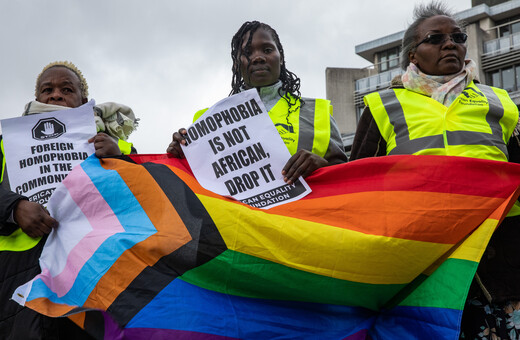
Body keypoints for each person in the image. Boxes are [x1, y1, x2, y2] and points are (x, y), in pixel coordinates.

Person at [349, 2, 520, 339]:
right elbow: (357, 191)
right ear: (413, 54)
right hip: (419, 274)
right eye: (436, 38)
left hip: (500, 269)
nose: (450, 44)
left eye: (458, 37)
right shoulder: (383, 106)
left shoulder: (499, 101)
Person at [0, 61, 138, 339]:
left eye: (66, 89)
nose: (55, 95)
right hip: (18, 276)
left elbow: (145, 204)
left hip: (92, 273)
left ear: (83, 101)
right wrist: (14, 209)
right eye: (47, 90)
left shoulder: (115, 145)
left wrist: (121, 160)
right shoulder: (6, 144)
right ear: (36, 98)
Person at [167, 21, 347, 184]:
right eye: (247, 53)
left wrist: (321, 165)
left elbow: (348, 179)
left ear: (281, 57)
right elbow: (196, 185)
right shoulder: (208, 120)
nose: (258, 57)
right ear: (237, 63)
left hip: (302, 218)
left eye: (267, 50)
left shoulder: (317, 114)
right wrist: (181, 155)